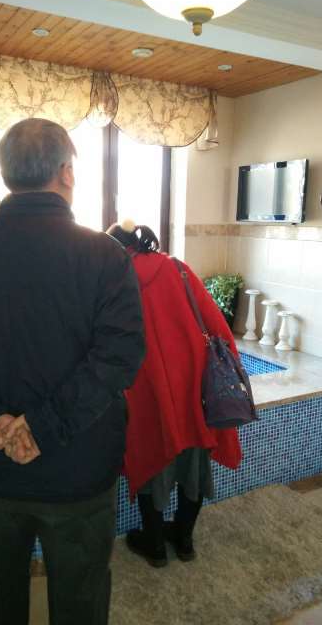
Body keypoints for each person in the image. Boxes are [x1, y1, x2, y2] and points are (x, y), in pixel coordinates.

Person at [0, 118, 145, 625]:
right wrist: (42, 427)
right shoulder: (105, 256)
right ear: (67, 173)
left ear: (6, 175)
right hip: (79, 471)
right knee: (80, 603)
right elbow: (119, 356)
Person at [107, 221, 242, 568]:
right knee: (194, 464)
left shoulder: (113, 280)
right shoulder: (177, 269)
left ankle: (154, 545)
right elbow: (217, 325)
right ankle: (184, 540)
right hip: (194, 387)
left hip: (143, 390)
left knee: (149, 458)